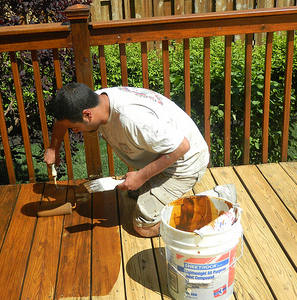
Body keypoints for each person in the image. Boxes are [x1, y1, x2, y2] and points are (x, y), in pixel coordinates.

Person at [44, 83, 209, 237]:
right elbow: (62, 119)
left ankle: (202, 216)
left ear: (87, 114)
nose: (75, 131)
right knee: (131, 193)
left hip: (185, 163)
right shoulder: (92, 101)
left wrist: (141, 177)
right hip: (165, 153)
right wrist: (53, 148)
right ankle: (155, 184)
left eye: (75, 127)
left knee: (143, 227)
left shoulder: (132, 119)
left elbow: (181, 147)